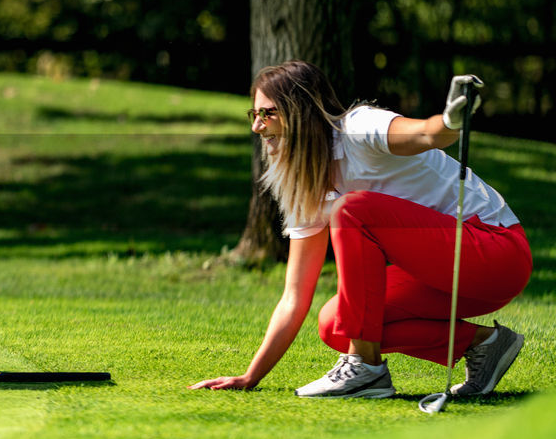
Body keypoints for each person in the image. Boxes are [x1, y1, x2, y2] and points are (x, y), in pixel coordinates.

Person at [191, 60, 531, 399]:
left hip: (496, 253)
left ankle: (364, 369)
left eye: (268, 114)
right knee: (336, 323)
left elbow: (429, 134)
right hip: (444, 273)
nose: (258, 127)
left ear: (300, 111)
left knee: (352, 210)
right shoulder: (305, 185)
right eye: (254, 115)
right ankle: (486, 344)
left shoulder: (358, 127)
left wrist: (452, 119)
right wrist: (250, 375)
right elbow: (295, 296)